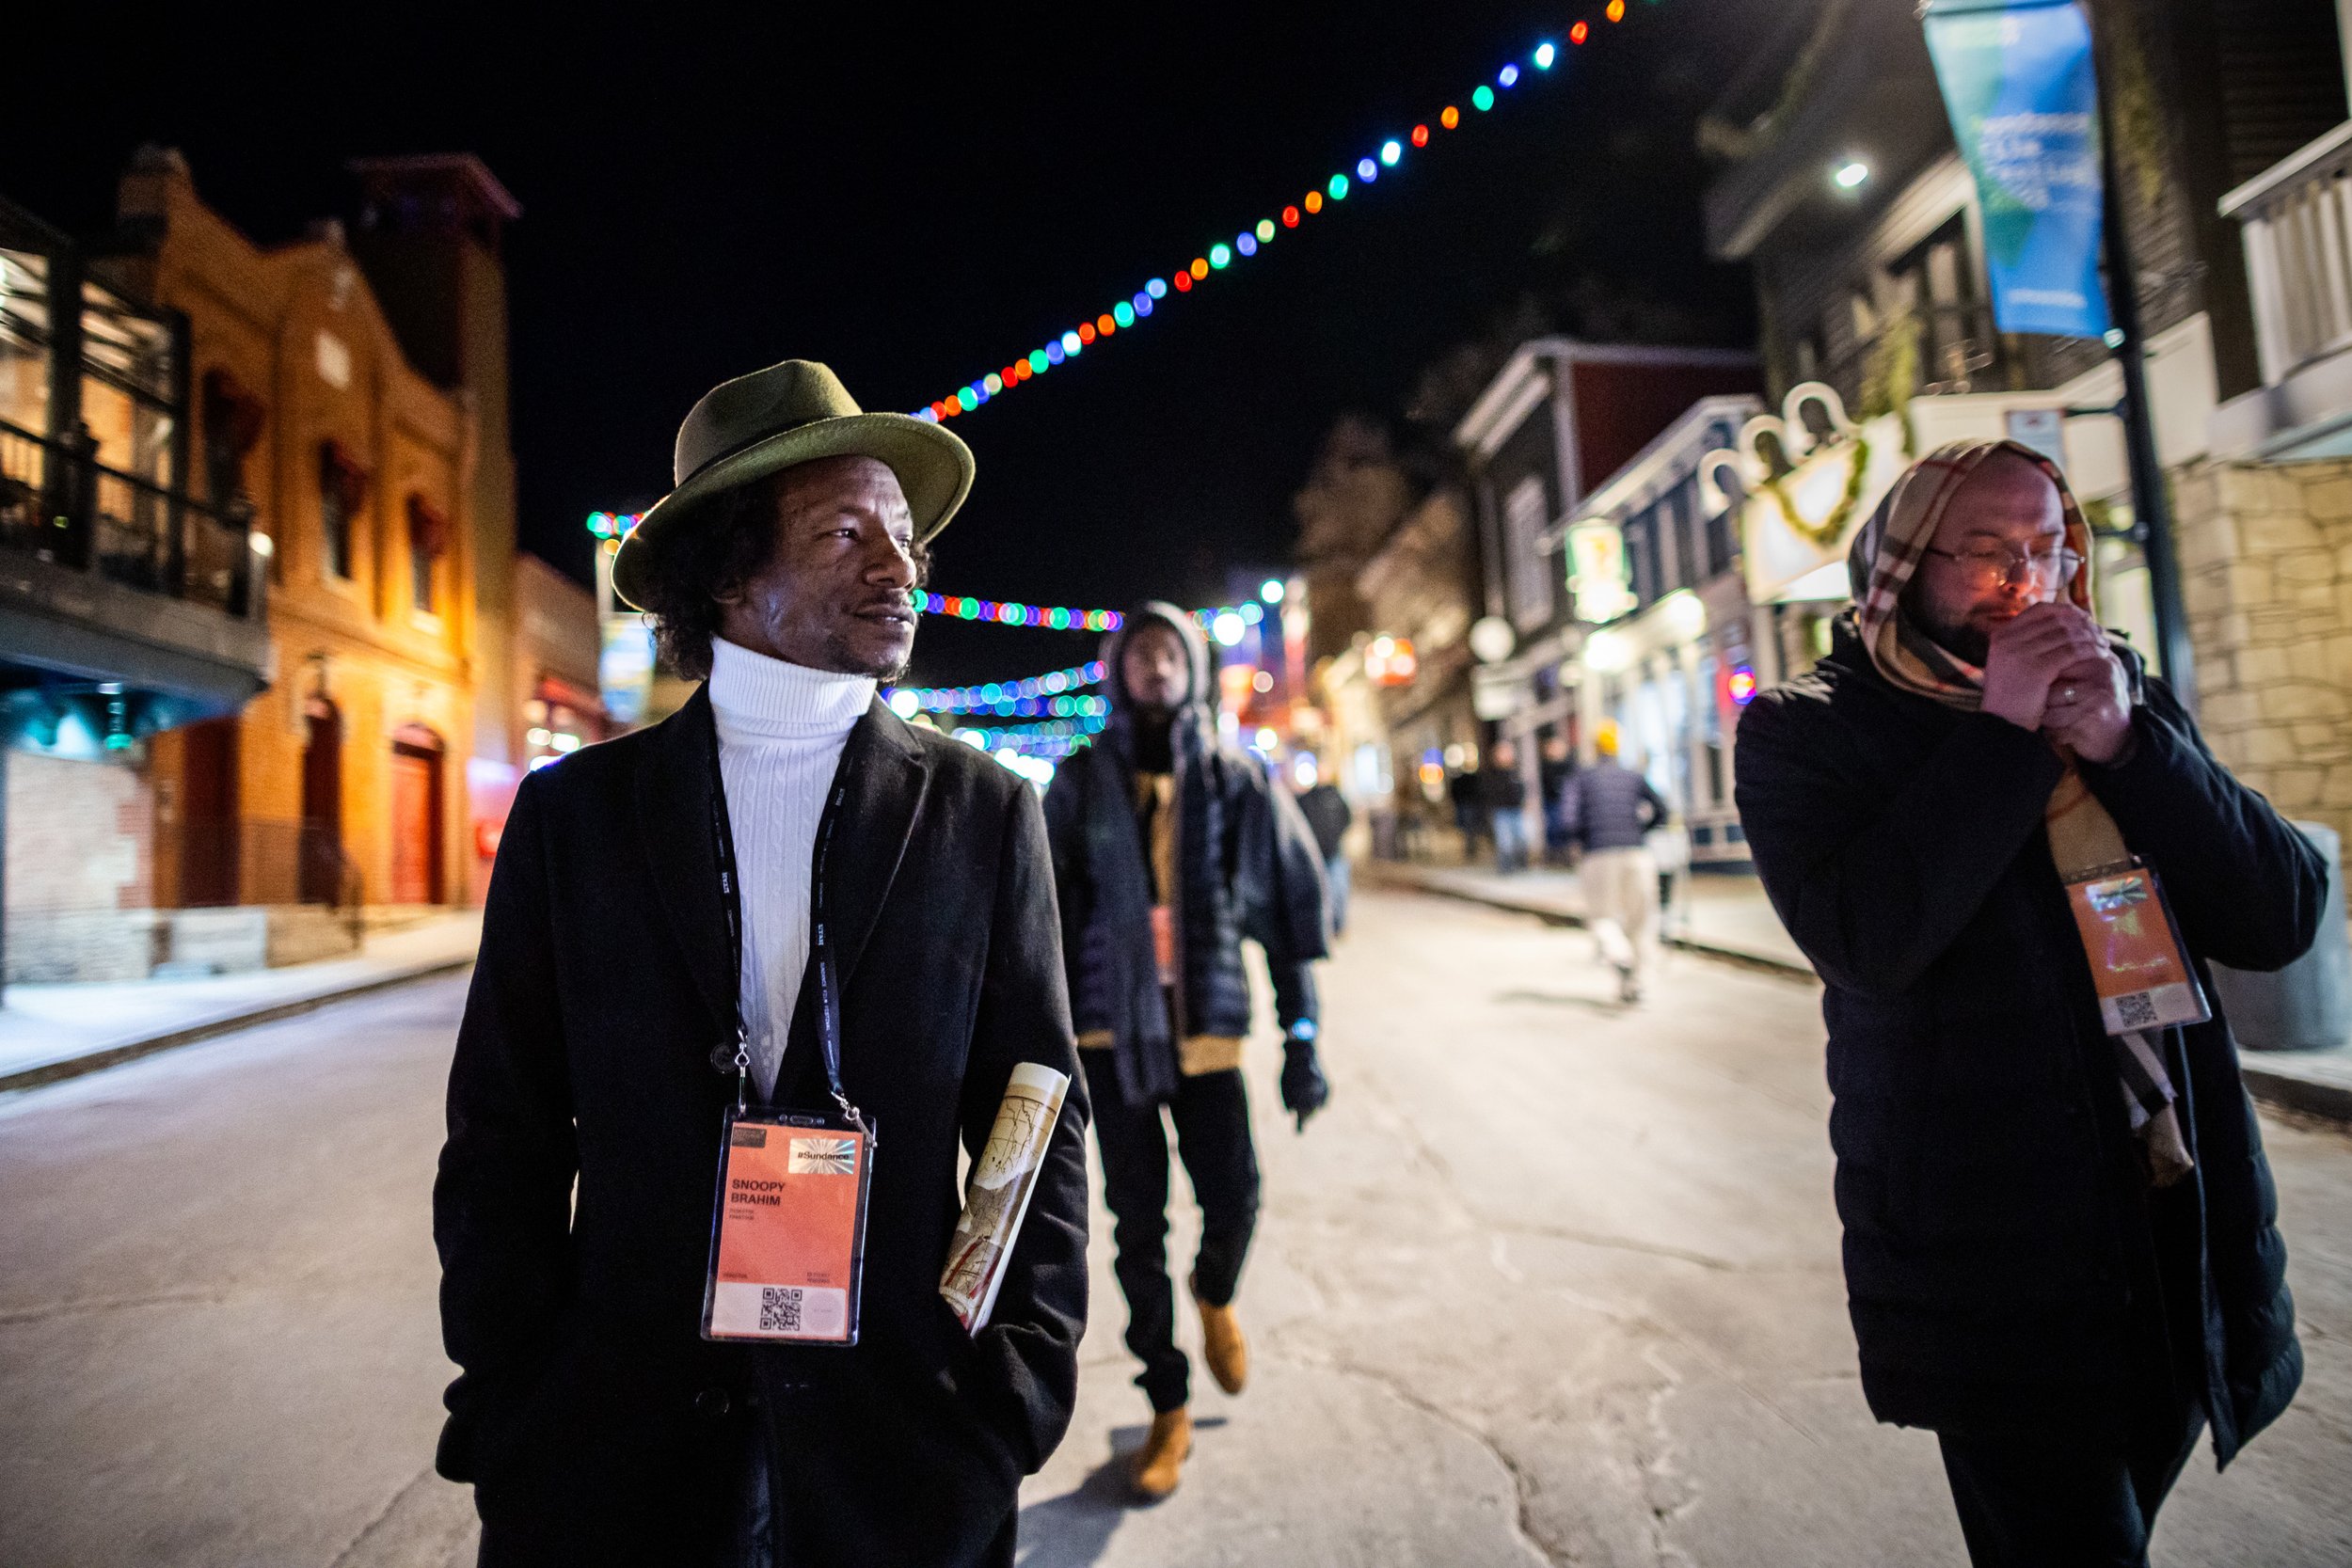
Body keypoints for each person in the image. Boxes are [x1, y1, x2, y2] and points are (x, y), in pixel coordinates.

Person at [434, 360, 1091, 1567]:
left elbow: (1034, 1113)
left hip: (908, 1440)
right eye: (846, 532)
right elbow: (502, 1133)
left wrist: (1016, 1383)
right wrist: (513, 1390)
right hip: (615, 1447)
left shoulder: (981, 811)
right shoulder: (574, 818)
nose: (899, 567)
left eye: (904, 537)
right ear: (729, 571)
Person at [1735, 440, 2319, 1568]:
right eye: (1987, 551)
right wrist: (2003, 734)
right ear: (1905, 565)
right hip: (1994, 1243)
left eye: (2048, 548)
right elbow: (1870, 940)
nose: (2025, 581)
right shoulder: (1807, 729)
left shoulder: (2117, 692)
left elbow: (2279, 913)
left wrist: (2128, 744)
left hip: (2173, 1211)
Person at [1043, 602, 1331, 1502]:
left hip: (1207, 1024)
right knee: (1136, 1225)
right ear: (1119, 670)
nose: (1158, 665)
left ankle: (1214, 1292)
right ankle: (1166, 1403)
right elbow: (1041, 915)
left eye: (1173, 650)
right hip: (1109, 1034)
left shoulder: (1237, 779)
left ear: (1195, 668)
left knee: (1235, 1193)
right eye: (1142, 653)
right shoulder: (1081, 780)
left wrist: (1302, 1033)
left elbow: (1288, 912)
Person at [1562, 724, 1670, 1002]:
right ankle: (1637, 985)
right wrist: (1639, 831)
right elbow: (1662, 810)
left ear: (1594, 748)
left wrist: (1584, 839)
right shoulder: (1633, 776)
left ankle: (1617, 954)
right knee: (1641, 921)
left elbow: (1569, 820)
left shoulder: (1581, 780)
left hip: (1598, 855)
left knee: (1603, 917)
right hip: (1637, 854)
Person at [1295, 759, 1354, 936]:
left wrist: (1335, 836)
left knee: (1338, 891)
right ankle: (1322, 926)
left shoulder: (1337, 797)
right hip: (1315, 854)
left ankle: (1337, 925)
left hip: (1334, 853)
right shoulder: (1307, 798)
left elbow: (1347, 818)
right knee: (1319, 892)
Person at [1480, 738, 1532, 873]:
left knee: (1521, 838)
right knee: (1505, 842)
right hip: (1500, 810)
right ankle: (1505, 868)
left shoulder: (1516, 771)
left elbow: (1523, 789)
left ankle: (1522, 865)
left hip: (1516, 809)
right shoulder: (1491, 773)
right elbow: (1488, 791)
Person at [1538, 733, 1578, 865]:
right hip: (1552, 802)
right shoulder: (1545, 766)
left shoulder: (1570, 764)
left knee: (1566, 828)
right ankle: (1555, 855)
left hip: (1566, 802)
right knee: (1553, 829)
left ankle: (1567, 855)